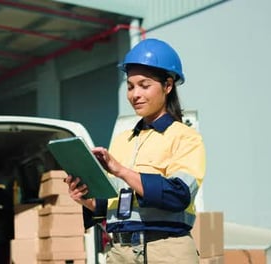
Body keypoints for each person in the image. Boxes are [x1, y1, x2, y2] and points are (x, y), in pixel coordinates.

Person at [65, 38, 206, 263]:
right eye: (130, 86)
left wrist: (121, 171)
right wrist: (85, 199)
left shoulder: (185, 137)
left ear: (168, 86)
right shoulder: (122, 140)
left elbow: (178, 195)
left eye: (144, 85)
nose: (134, 94)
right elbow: (116, 204)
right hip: (121, 251)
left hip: (167, 250)